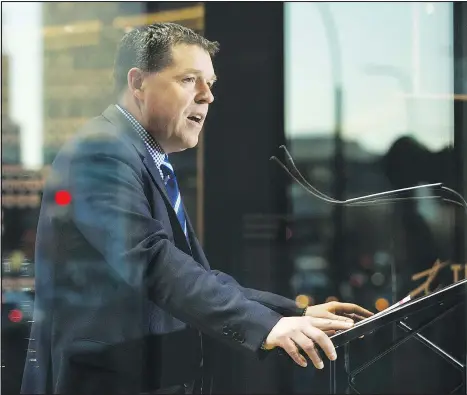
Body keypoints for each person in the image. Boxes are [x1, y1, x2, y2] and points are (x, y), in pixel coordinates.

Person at [21, 23, 373, 395]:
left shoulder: (143, 158)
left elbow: (193, 272)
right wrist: (265, 326)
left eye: (210, 83)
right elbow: (151, 260)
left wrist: (291, 314)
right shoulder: (101, 152)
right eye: (190, 80)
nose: (208, 97)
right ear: (138, 83)